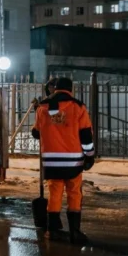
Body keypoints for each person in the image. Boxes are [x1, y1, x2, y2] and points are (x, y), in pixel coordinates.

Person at [31, 77, 95, 244]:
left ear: (55, 88)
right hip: (73, 161)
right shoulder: (78, 107)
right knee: (74, 193)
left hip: (51, 161)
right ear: (70, 89)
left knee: (55, 193)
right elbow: (86, 135)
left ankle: (53, 231)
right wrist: (89, 155)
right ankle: (74, 231)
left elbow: (36, 133)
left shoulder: (42, 108)